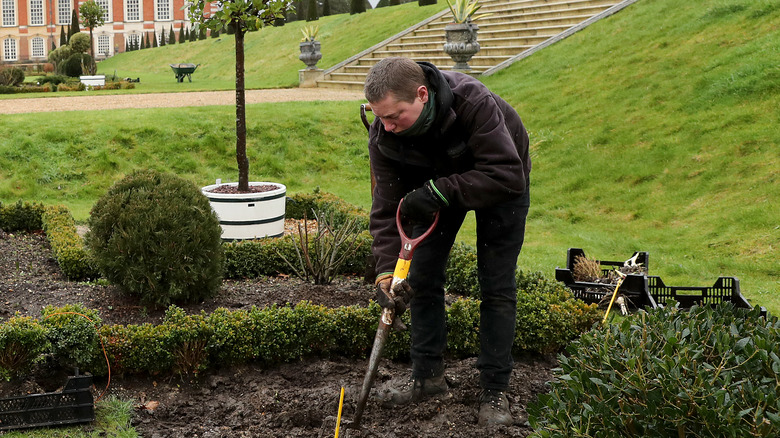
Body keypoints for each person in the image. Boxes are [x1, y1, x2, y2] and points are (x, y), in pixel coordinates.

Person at [364, 57, 532, 426]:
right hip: (434, 183)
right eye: (381, 118)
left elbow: (507, 174)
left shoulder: (472, 102)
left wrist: (441, 191)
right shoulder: (383, 133)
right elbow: (386, 208)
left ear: (422, 95)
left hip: (499, 177)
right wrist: (386, 274)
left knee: (496, 282)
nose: (387, 127)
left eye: (396, 116)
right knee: (420, 277)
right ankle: (427, 379)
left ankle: (495, 390)